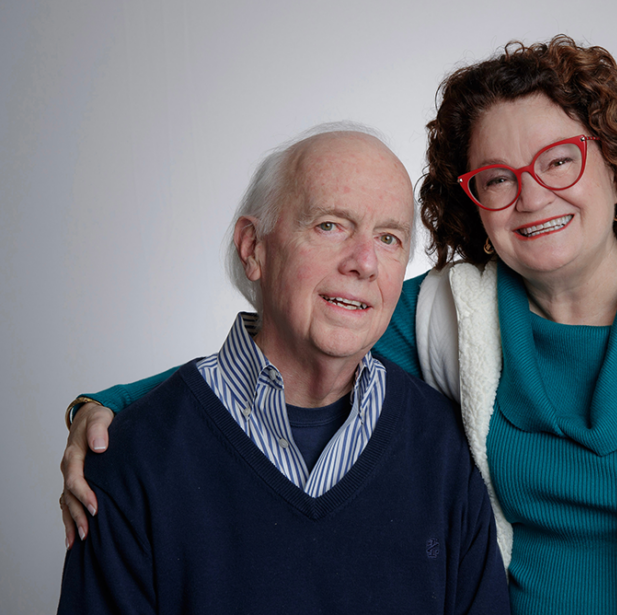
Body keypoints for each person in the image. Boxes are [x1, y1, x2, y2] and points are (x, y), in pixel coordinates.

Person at [60, 37, 617, 615]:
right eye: (497, 179)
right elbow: (285, 344)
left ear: (615, 167)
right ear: (475, 204)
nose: (532, 197)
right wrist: (111, 406)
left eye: (561, 161)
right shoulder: (449, 313)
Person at [56, 127, 511, 614]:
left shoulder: (442, 445)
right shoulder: (133, 458)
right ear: (253, 247)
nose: (364, 262)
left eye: (388, 238)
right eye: (330, 225)